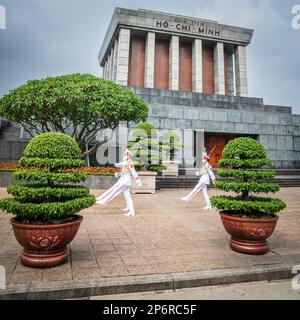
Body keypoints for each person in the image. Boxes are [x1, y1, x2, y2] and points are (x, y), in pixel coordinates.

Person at [96, 149, 142, 217]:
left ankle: (103, 201)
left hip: (125, 182)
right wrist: (117, 170)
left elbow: (133, 172)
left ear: (128, 156)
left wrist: (138, 181)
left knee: (115, 191)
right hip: (123, 181)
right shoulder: (126, 163)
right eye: (124, 154)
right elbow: (122, 168)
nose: (124, 155)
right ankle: (131, 211)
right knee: (127, 196)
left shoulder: (129, 163)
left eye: (125, 154)